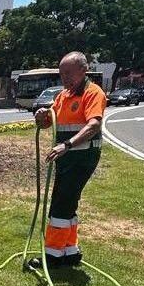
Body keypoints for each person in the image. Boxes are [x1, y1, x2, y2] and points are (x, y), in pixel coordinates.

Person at [32, 51, 106, 270]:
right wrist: (42, 116)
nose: (64, 78)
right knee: (68, 203)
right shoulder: (64, 95)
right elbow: (49, 122)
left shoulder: (93, 93)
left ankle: (53, 256)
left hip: (81, 158)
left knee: (60, 206)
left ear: (83, 71)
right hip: (67, 159)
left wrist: (67, 144)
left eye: (68, 73)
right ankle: (71, 251)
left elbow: (93, 125)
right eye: (61, 73)